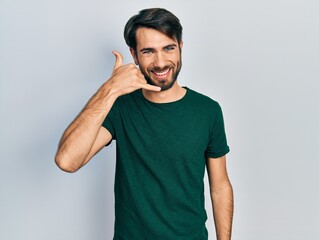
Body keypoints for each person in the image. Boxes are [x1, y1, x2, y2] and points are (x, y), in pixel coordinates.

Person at [55, 8, 233, 240]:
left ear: (180, 45)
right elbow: (67, 160)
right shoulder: (120, 107)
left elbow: (220, 187)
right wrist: (110, 89)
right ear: (134, 55)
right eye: (148, 51)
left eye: (168, 48)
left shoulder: (208, 110)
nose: (160, 63)